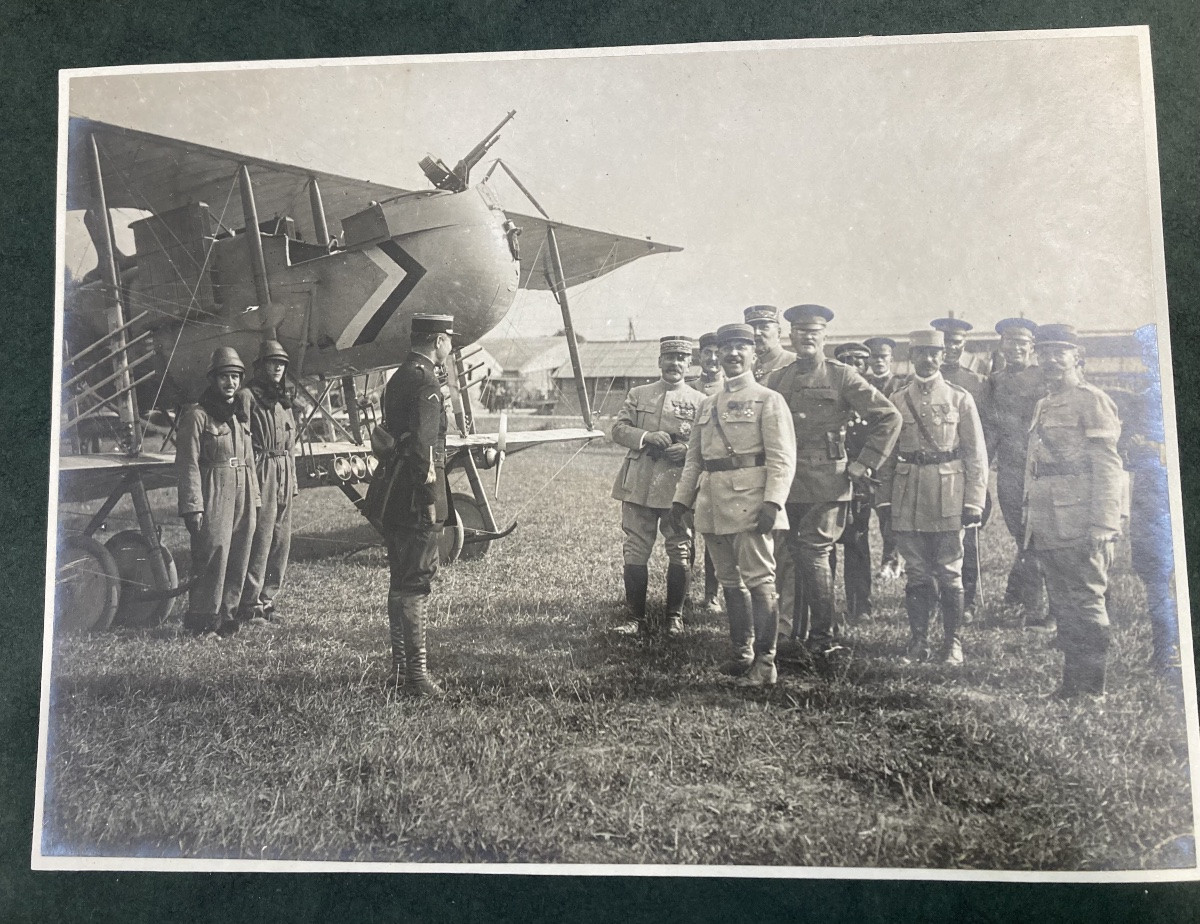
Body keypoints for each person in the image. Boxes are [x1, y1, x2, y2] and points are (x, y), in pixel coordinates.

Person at [767, 305, 901, 662]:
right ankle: (794, 633)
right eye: (800, 331)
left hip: (827, 481)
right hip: (787, 480)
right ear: (790, 336)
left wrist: (865, 462)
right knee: (791, 555)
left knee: (814, 553)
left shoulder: (841, 376)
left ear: (825, 336)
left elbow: (889, 417)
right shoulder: (778, 378)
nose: (806, 338)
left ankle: (823, 637)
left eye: (814, 332)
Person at [671, 323, 796, 685]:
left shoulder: (768, 399)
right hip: (711, 503)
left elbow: (782, 458)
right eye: (727, 348)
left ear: (754, 355)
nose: (733, 354)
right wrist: (680, 501)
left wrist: (773, 502)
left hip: (750, 504)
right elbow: (694, 460)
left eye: (742, 347)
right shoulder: (707, 404)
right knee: (729, 580)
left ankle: (766, 663)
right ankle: (743, 653)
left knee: (759, 580)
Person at [1023, 324, 1124, 698]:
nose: (1049, 359)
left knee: (1086, 599)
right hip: (1049, 519)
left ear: (1077, 357)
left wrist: (1104, 523)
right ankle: (1071, 686)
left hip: (1080, 518)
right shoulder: (1044, 403)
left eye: (1058, 352)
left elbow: (1108, 465)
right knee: (1063, 601)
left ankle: (1093, 690)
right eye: (1043, 352)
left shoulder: (1091, 400)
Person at [877, 330, 987, 666]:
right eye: (921, 353)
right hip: (908, 493)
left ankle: (952, 644)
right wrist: (884, 499)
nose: (927, 359)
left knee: (950, 571)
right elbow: (888, 454)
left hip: (948, 494)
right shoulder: (897, 399)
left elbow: (975, 454)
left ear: (943, 356)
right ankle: (919, 642)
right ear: (911, 356)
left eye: (934, 353)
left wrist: (974, 500)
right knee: (916, 572)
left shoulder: (959, 398)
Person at [366, 313, 455, 696]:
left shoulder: (399, 377)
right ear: (437, 341)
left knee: (400, 580)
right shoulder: (426, 381)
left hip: (393, 490)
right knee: (416, 581)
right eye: (449, 339)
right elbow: (423, 447)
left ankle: (400, 671)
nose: (450, 345)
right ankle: (416, 677)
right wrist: (429, 498)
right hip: (418, 492)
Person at [610, 336, 705, 637]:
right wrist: (646, 436)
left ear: (690, 363)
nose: (675, 363)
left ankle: (674, 616)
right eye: (669, 357)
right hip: (639, 483)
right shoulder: (639, 394)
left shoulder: (700, 401)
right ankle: (634, 618)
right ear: (659, 361)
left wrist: (686, 449)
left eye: (681, 358)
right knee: (635, 548)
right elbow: (618, 430)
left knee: (680, 547)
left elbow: (706, 442)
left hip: (677, 486)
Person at [176, 347, 260, 637]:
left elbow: (249, 459)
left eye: (235, 377)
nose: (230, 383)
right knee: (212, 552)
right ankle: (203, 620)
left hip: (243, 488)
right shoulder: (197, 416)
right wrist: (193, 505)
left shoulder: (238, 417)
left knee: (239, 552)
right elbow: (187, 462)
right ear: (213, 379)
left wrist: (255, 498)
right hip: (214, 486)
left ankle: (227, 616)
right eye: (224, 376)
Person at [1118, 324, 1181, 676]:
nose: (1150, 359)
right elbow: (1128, 449)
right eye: (1147, 353)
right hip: (1150, 488)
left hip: (1160, 487)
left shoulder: (1152, 396)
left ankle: (1168, 654)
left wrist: (1151, 448)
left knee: (1159, 573)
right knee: (1155, 571)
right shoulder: (1143, 397)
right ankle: (1165, 651)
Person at [930, 315, 991, 622]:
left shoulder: (977, 382)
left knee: (965, 538)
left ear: (964, 344)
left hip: (965, 469)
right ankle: (933, 599)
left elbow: (986, 430)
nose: (951, 348)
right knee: (930, 536)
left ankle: (966, 600)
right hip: (932, 470)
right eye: (945, 342)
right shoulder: (924, 378)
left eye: (956, 342)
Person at [985, 318, 1046, 621]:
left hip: (1038, 468)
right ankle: (1017, 593)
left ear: (1031, 347)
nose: (1016, 348)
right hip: (1008, 468)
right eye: (1010, 342)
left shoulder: (1043, 376)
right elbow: (991, 428)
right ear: (1002, 346)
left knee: (1034, 534)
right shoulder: (994, 381)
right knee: (1020, 533)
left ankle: (1030, 602)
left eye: (1022, 343)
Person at [236, 339, 297, 628]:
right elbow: (242, 442)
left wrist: (292, 480)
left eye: (282, 364)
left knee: (281, 540)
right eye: (273, 363)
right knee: (260, 538)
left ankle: (268, 599)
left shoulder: (284, 400)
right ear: (260, 366)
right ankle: (249, 605)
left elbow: (291, 445)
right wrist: (251, 481)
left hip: (283, 469)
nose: (278, 368)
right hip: (261, 469)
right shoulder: (247, 396)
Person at [830, 342, 875, 621]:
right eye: (846, 362)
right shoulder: (830, 398)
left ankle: (860, 606)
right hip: (829, 478)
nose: (852, 367)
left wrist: (867, 466)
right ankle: (825, 605)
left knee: (857, 542)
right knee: (826, 542)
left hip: (860, 480)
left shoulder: (872, 400)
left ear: (866, 367)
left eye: (858, 362)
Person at [863, 336, 905, 581]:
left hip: (894, 457)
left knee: (890, 512)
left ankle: (892, 560)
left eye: (883, 356)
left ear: (891, 358)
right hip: (868, 454)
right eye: (874, 357)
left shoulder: (901, 384)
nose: (878, 361)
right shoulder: (862, 384)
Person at [696, 331, 725, 613]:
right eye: (708, 353)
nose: (713, 359)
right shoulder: (689, 388)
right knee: (685, 533)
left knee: (714, 534)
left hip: (717, 470)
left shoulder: (730, 387)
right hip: (689, 469)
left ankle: (711, 594)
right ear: (699, 356)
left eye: (718, 353)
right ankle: (680, 592)